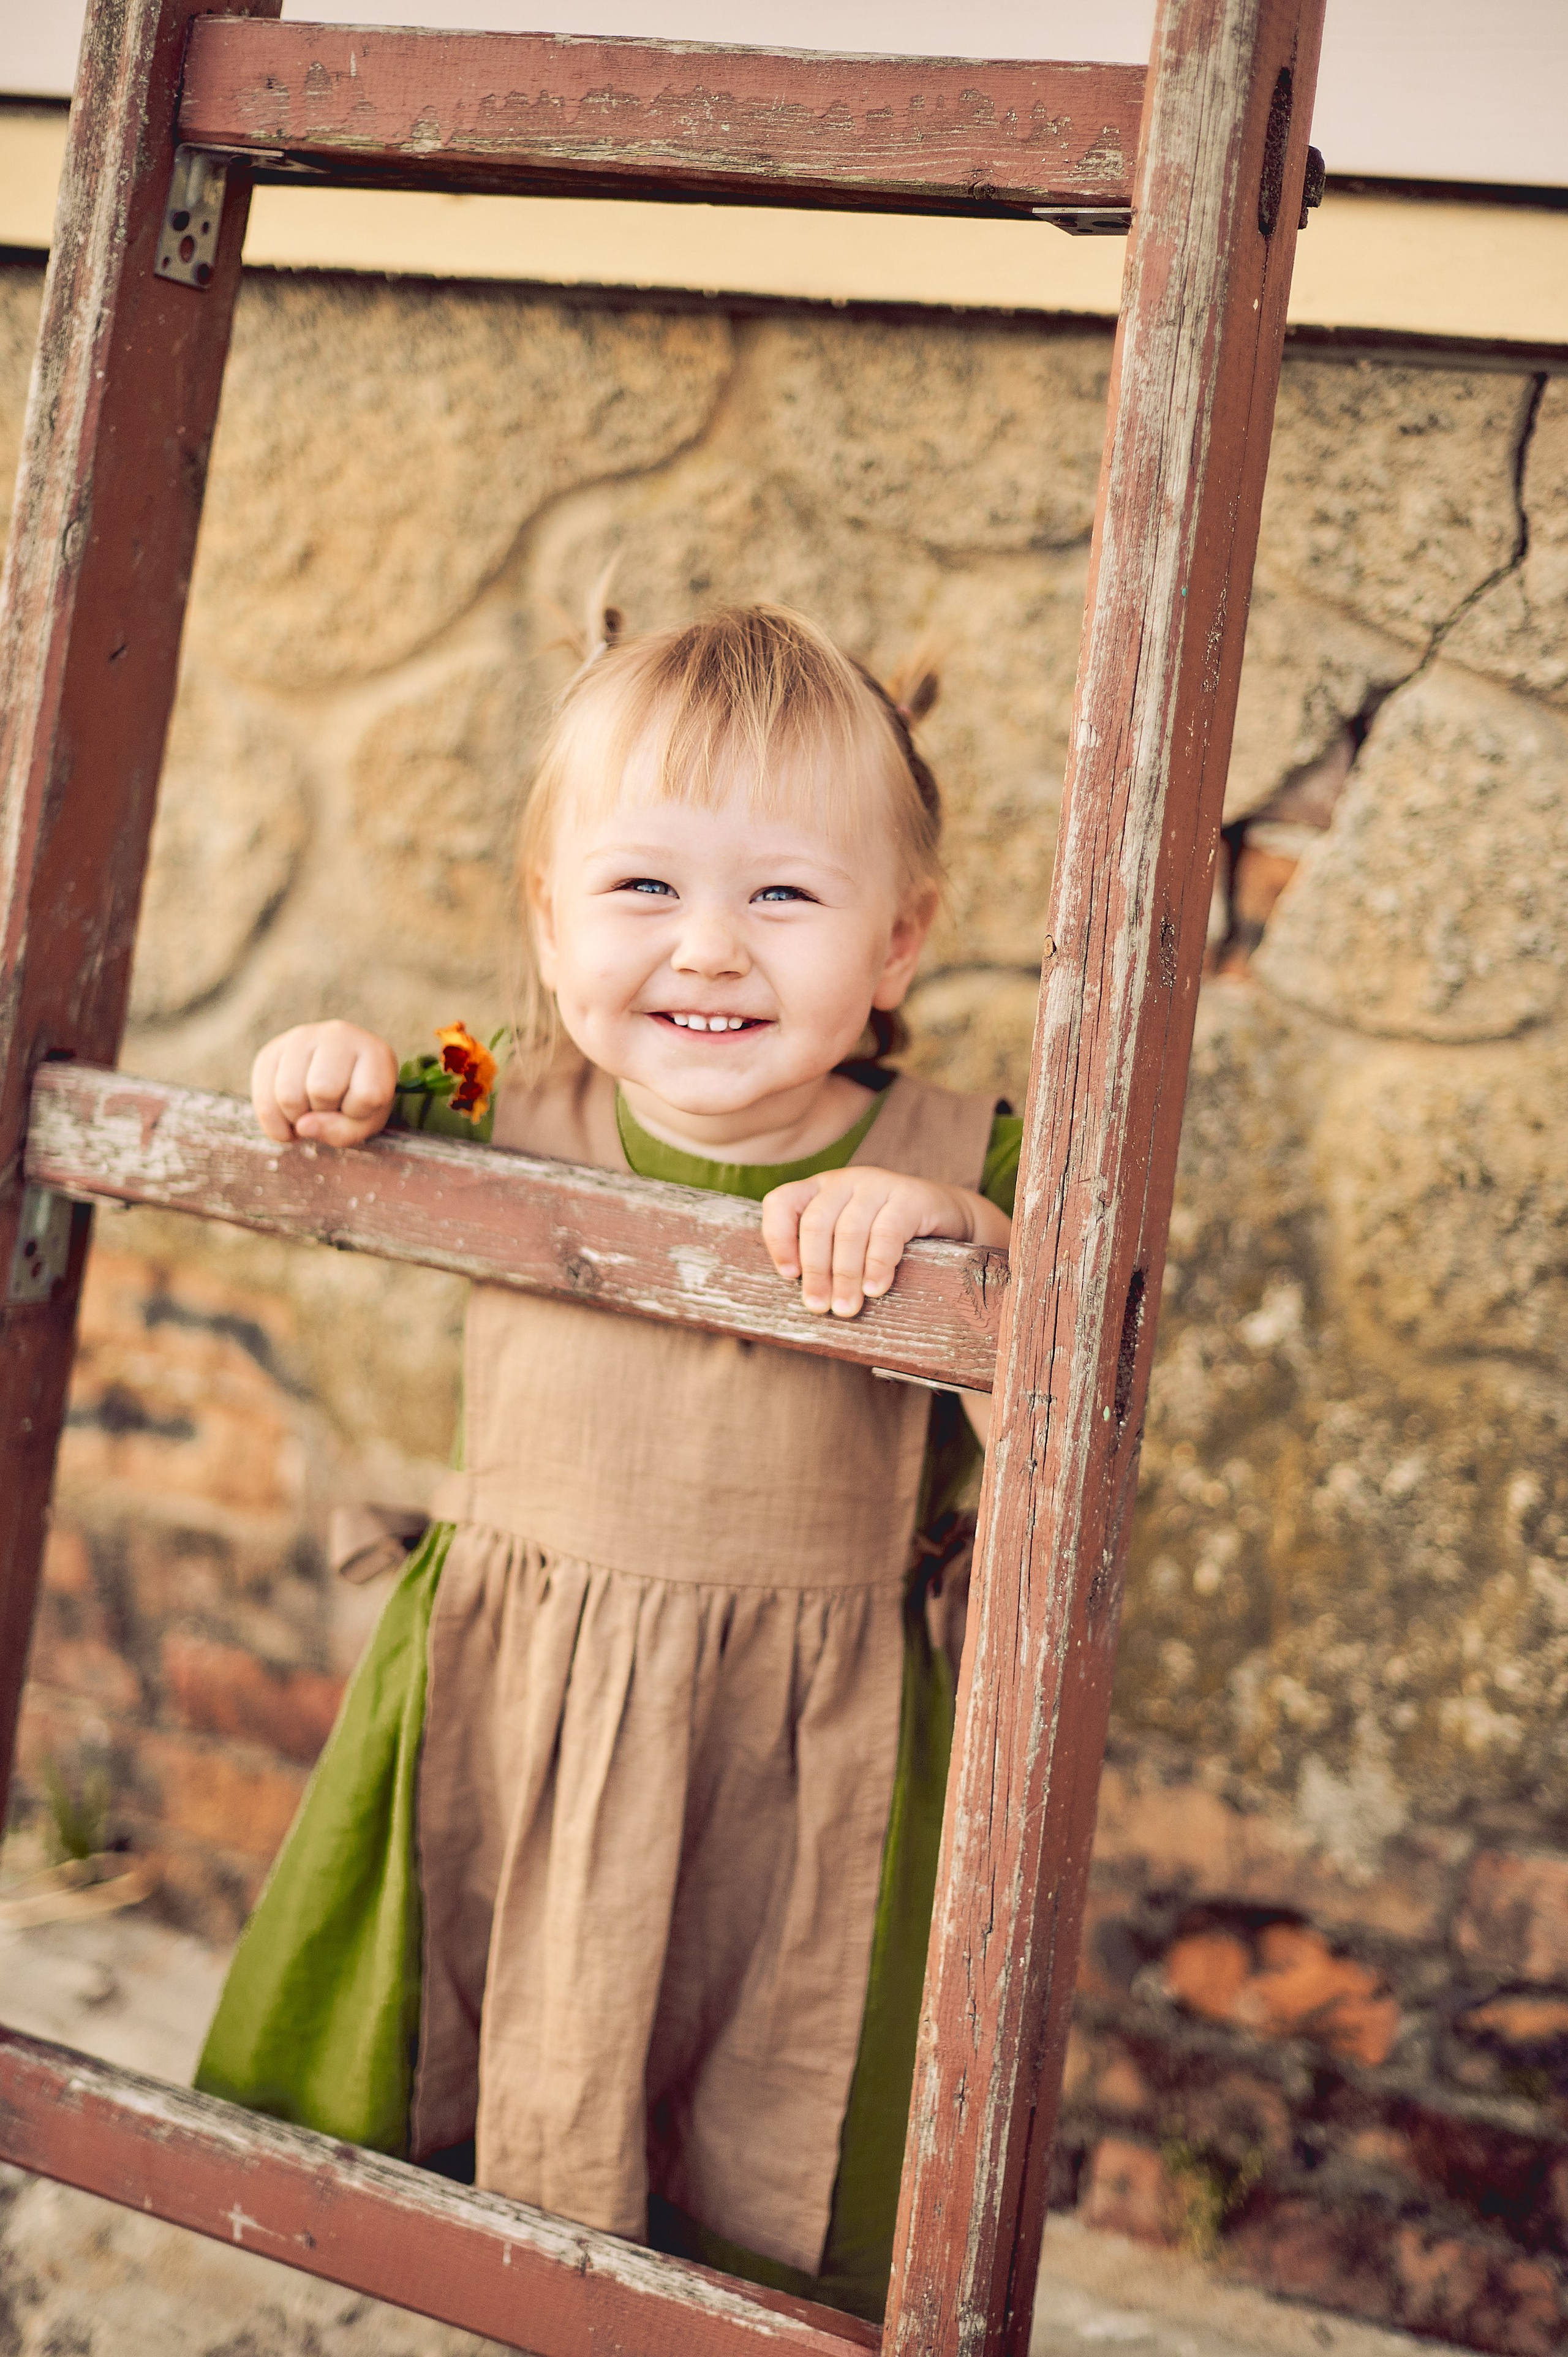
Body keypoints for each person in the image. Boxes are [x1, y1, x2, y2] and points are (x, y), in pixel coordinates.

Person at [195, 603, 1022, 2320]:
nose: (710, 951)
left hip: (797, 1734)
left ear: (898, 943)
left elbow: (1065, 1328)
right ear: (549, 920)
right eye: (645, 889)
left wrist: (945, 1227)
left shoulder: (959, 1154)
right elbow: (361, 1110)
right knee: (508, 2033)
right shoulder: (500, 1095)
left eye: (782, 896)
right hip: (527, 1684)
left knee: (765, 2086)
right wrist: (331, 1071)